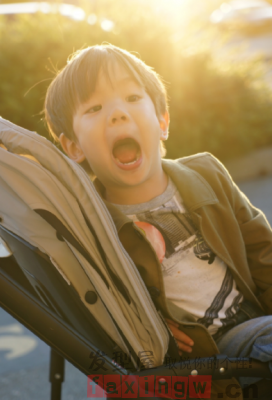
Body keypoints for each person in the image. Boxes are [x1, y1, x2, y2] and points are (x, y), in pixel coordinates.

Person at [44, 44, 272, 399]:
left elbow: (263, 251)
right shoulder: (90, 228)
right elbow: (93, 311)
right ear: (74, 147)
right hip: (196, 364)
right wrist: (145, 329)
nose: (118, 114)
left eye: (133, 97)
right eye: (95, 107)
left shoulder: (206, 174)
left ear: (162, 121)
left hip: (253, 328)